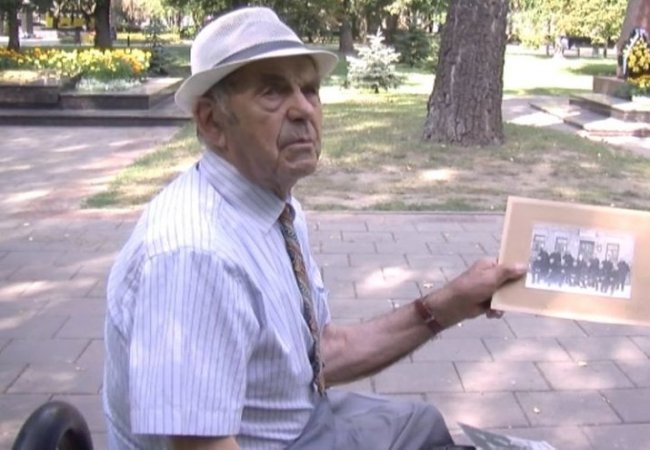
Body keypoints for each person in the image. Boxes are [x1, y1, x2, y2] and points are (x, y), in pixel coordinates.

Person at [103, 7, 526, 450]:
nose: (304, 109)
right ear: (212, 122)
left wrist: (452, 302)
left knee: (423, 425)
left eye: (309, 90)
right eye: (272, 92)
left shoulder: (273, 206)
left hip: (303, 420)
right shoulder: (195, 255)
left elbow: (322, 355)